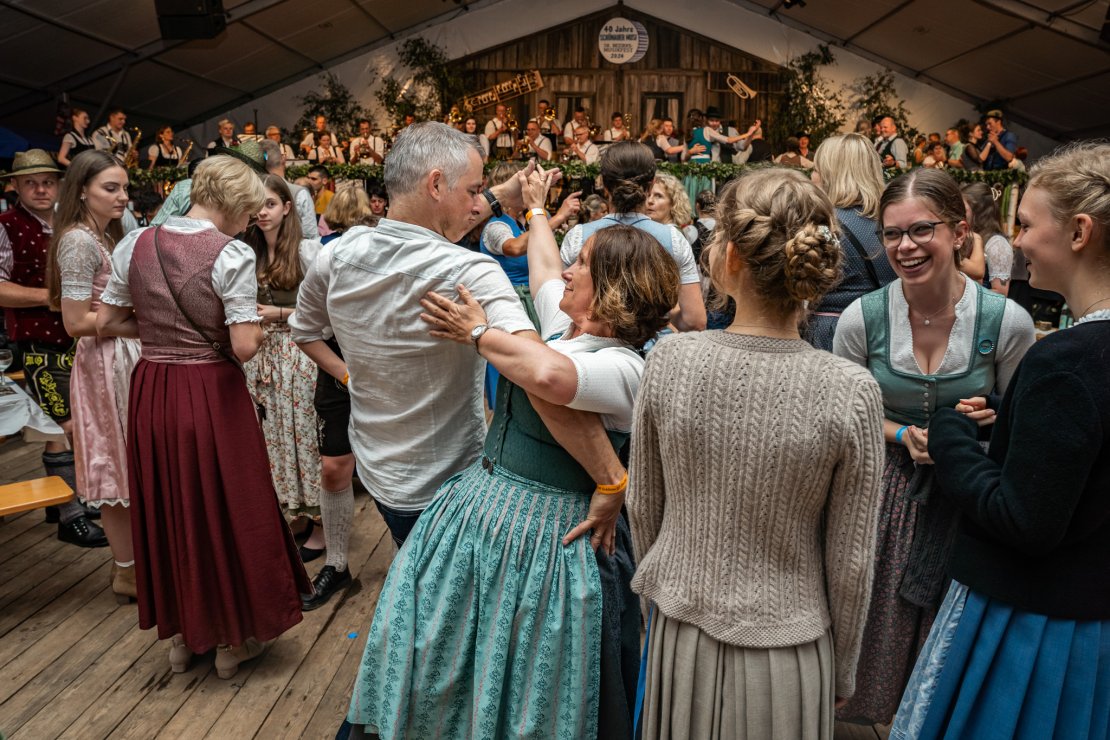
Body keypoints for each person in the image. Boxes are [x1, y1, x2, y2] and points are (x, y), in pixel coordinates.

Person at [350, 164, 679, 739]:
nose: (569, 269)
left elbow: (548, 376)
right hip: (483, 509)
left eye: (585, 263)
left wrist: (480, 333)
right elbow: (545, 266)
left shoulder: (625, 367)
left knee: (531, 672)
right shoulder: (568, 328)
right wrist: (536, 208)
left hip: (555, 538)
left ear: (614, 287)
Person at [630, 167, 886, 740]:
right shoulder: (851, 391)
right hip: (791, 651)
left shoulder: (670, 361)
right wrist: (842, 665)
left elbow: (644, 508)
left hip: (680, 630)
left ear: (731, 257)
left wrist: (662, 604)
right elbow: (851, 560)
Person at [890, 140, 1110, 740]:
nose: (1016, 242)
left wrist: (953, 436)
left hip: (1035, 626)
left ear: (1080, 231)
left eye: (1027, 225)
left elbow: (1023, 518)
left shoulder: (1067, 360)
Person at [95, 155, 312, 679]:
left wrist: (161, 335)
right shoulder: (230, 253)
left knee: (171, 503)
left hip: (152, 388)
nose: (248, 222)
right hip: (211, 390)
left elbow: (107, 320)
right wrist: (249, 325)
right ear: (232, 205)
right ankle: (231, 642)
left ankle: (182, 637)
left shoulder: (135, 242)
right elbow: (243, 346)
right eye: (248, 212)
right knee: (228, 504)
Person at [832, 168, 1035, 725]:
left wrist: (990, 416)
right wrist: (902, 434)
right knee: (875, 622)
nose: (906, 246)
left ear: (959, 232)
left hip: (965, 495)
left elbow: (1018, 420)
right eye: (892, 234)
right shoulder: (861, 318)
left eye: (922, 229)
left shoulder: (1006, 322)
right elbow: (845, 413)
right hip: (879, 494)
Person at [290, 122, 540, 551]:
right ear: (436, 184)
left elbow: (305, 331)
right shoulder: (471, 272)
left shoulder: (338, 254)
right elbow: (538, 368)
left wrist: (348, 376)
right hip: (450, 483)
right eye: (473, 191)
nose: (477, 204)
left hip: (379, 471)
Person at [45, 149, 142, 598]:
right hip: (104, 361)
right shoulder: (79, 241)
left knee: (131, 460)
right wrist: (136, 323)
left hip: (122, 354)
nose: (122, 196)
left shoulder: (105, 236)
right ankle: (127, 570)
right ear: (82, 190)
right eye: (111, 188)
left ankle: (140, 562)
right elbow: (74, 321)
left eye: (124, 187)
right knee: (114, 463)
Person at [0, 150, 107, 547]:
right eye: (30, 183)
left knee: (80, 422)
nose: (41, 189)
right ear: (15, 186)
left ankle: (71, 497)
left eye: (47, 181)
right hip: (38, 343)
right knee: (65, 425)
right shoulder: (6, 226)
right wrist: (52, 298)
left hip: (80, 339)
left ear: (60, 185)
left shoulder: (72, 224)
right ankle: (69, 516)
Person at [242, 174, 325, 549]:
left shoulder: (307, 251)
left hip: (299, 352)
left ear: (287, 208)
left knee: (305, 438)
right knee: (274, 439)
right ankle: (295, 514)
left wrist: (278, 313)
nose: (262, 211)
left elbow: (325, 310)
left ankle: (321, 527)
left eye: (270, 204)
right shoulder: (248, 251)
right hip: (262, 357)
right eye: (257, 205)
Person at [560, 142, 706, 332]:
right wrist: (660, 316)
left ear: (604, 184)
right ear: (651, 185)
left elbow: (563, 307)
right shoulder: (673, 239)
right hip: (653, 346)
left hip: (592, 342)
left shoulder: (578, 237)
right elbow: (694, 321)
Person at [805, 133, 897, 350]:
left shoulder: (825, 226)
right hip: (888, 331)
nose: (811, 176)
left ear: (831, 175)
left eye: (816, 169)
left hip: (833, 335)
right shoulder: (895, 219)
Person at [259, 138, 318, 240]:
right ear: (284, 158)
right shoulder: (300, 194)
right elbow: (311, 236)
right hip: (295, 248)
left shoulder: (252, 192)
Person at [962, 182, 1012, 296]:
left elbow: (1000, 293)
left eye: (964, 209)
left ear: (978, 210)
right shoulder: (965, 235)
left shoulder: (997, 244)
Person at [646, 172, 698, 246]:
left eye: (658, 196)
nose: (650, 200)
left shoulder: (672, 237)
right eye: (648, 195)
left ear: (673, 202)